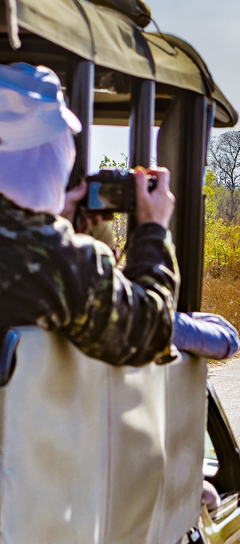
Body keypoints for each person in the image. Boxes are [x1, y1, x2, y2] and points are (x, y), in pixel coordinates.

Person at [0, 62, 178, 366]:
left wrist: (59, 217)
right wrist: (153, 230)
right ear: (52, 152)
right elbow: (150, 331)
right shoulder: (65, 261)